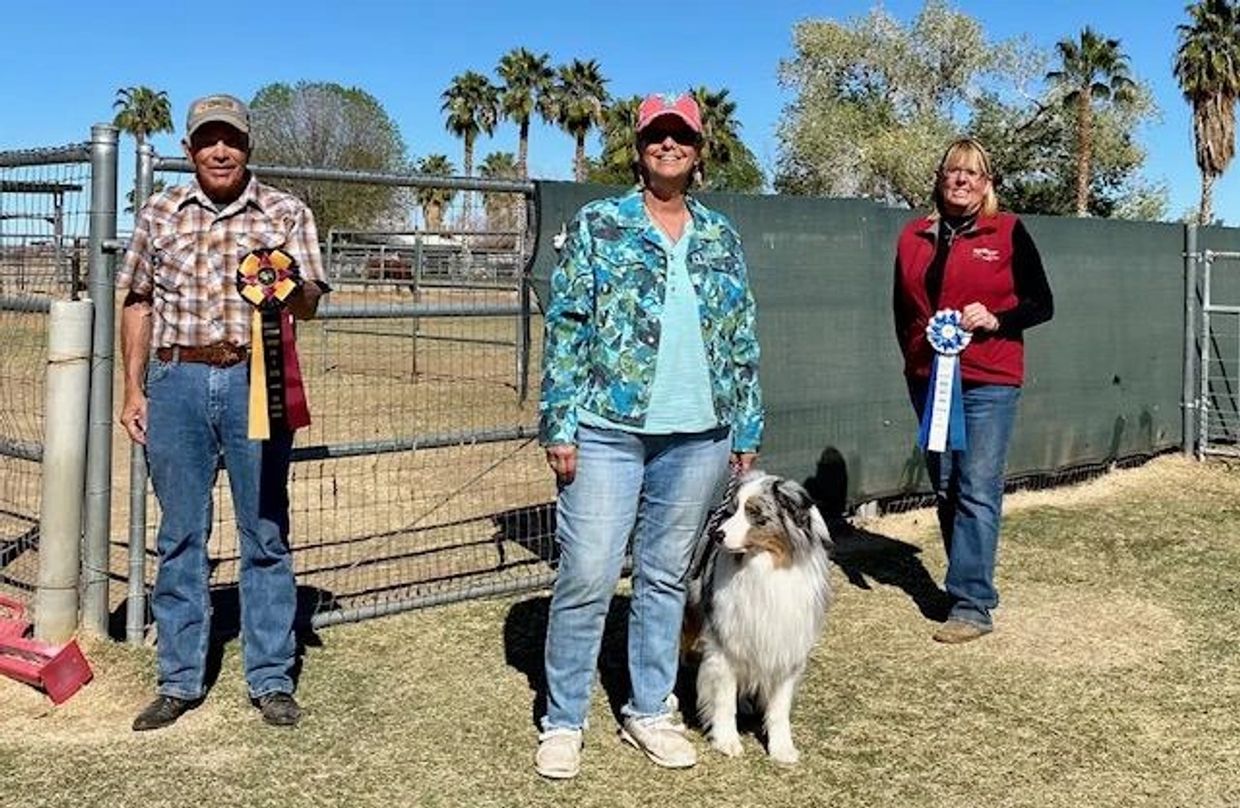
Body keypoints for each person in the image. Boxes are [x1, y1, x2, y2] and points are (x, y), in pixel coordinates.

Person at [534, 91, 764, 778]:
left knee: (665, 578)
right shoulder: (600, 224)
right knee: (587, 573)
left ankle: (649, 710)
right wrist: (560, 422)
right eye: (657, 136)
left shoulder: (721, 234)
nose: (670, 146)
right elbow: (568, 325)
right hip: (606, 429)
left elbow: (741, 333)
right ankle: (564, 719)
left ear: (698, 151)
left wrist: (744, 425)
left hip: (700, 434)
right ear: (638, 148)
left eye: (682, 137)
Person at [117, 93, 330, 730]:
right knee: (180, 533)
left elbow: (314, 300)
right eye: (207, 139)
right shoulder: (158, 214)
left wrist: (290, 288)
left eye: (230, 139)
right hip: (175, 380)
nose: (219, 150)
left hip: (253, 381)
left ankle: (270, 677)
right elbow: (136, 301)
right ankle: (179, 679)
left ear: (247, 147)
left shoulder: (286, 212)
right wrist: (134, 389)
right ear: (188, 149)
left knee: (264, 532)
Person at [892, 136, 1053, 644]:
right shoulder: (912, 237)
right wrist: (913, 361)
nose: (961, 180)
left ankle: (972, 604)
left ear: (987, 185)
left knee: (977, 487)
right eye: (952, 172)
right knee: (945, 486)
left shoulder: (1007, 231)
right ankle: (964, 582)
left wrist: (997, 319)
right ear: (940, 180)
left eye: (973, 173)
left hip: (989, 379)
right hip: (930, 379)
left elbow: (1042, 304)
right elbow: (902, 311)